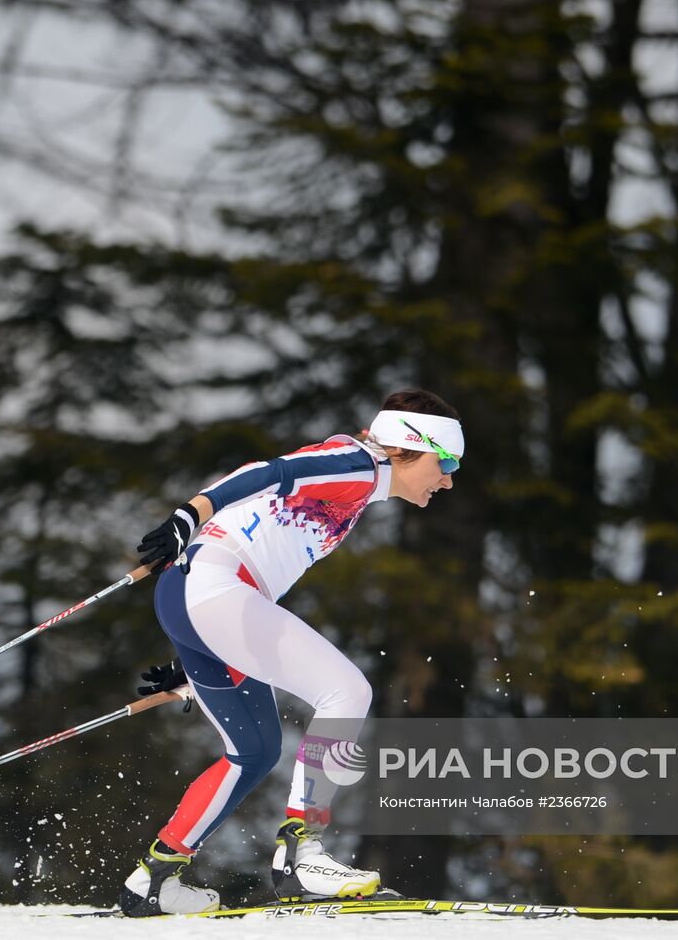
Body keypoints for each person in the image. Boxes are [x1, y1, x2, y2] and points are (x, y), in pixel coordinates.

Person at [118, 388, 464, 915]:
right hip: (214, 588)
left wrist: (209, 647)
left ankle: (155, 878)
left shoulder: (362, 483)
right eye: (447, 461)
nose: (449, 478)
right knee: (345, 690)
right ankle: (302, 854)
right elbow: (268, 471)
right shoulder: (360, 464)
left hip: (202, 602)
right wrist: (188, 515)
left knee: (253, 750)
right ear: (409, 447)